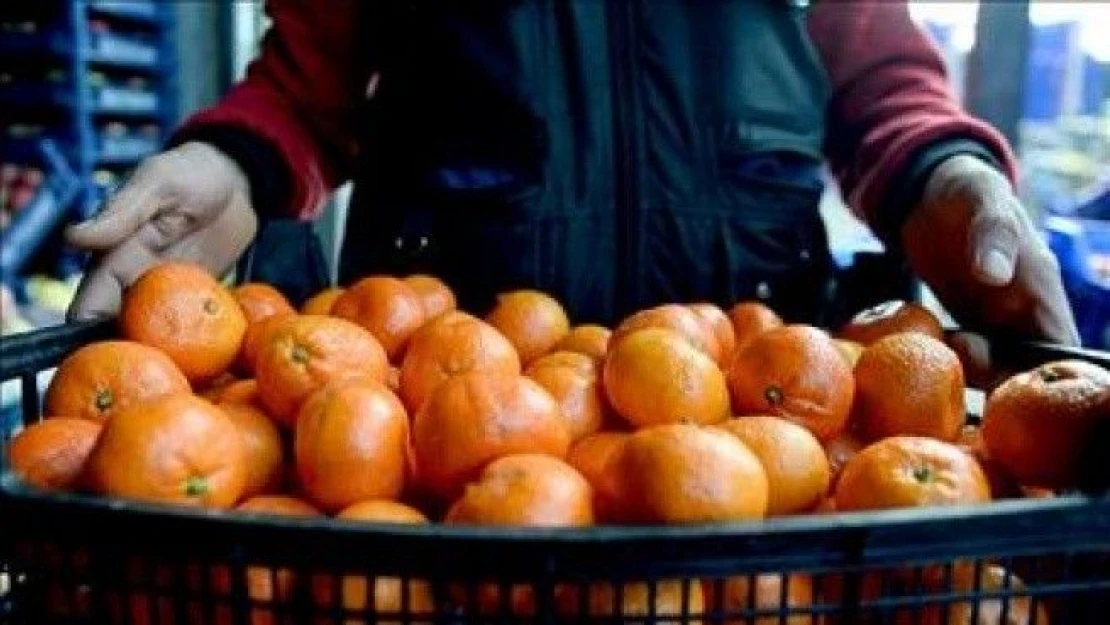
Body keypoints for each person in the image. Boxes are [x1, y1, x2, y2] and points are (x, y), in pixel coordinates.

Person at [65, 0, 1078, 346]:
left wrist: (945, 176)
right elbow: (304, 88)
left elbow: (881, 83)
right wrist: (227, 161)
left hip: (760, 428)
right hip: (434, 429)